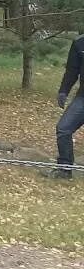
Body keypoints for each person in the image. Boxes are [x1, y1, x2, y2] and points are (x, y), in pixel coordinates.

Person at [48, 34, 84, 180]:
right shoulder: (79, 43)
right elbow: (71, 71)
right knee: (63, 129)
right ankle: (64, 169)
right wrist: (63, 91)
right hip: (83, 98)